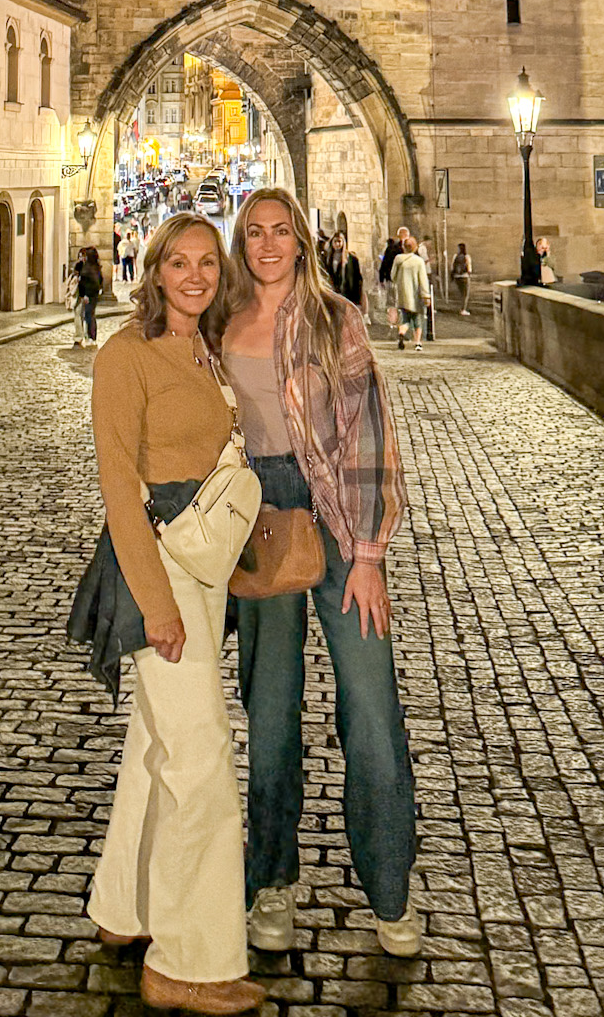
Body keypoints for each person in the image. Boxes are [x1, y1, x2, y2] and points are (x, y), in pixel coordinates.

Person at [218, 188, 419, 959]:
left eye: (281, 232)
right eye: (255, 233)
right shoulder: (221, 322)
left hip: (334, 518)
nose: (268, 245)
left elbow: (370, 434)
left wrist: (368, 556)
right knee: (270, 710)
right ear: (245, 244)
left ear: (302, 241)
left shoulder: (337, 319)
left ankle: (390, 890)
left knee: (370, 707)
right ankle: (271, 881)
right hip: (260, 519)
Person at [76, 213, 264, 1015]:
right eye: (177, 263)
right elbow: (119, 488)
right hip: (156, 568)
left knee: (157, 743)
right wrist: (156, 605)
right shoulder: (124, 357)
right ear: (152, 272)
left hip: (203, 564)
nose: (193, 276)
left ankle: (124, 908)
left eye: (206, 264)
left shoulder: (203, 348)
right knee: (202, 757)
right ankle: (186, 959)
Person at [389, 236, 428, 352]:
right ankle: (417, 342)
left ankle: (401, 333)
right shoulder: (419, 261)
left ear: (403, 247)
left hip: (402, 294)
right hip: (416, 295)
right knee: (417, 319)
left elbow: (392, 276)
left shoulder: (398, 259)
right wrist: (426, 295)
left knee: (405, 319)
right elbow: (423, 280)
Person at [328, 231, 364, 319]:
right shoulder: (327, 258)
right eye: (335, 241)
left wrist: (358, 300)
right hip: (332, 293)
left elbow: (357, 279)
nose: (337, 244)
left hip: (347, 293)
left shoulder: (351, 258)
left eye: (339, 241)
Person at [77, 248, 104, 346]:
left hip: (89, 295)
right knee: (90, 314)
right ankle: (91, 336)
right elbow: (100, 281)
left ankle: (91, 336)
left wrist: (85, 294)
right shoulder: (96, 267)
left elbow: (86, 283)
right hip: (94, 294)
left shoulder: (88, 268)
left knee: (89, 315)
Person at [450, 242, 472, 317]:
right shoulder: (467, 256)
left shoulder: (455, 256)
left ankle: (460, 307)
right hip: (464, 277)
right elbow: (469, 269)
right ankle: (463, 309)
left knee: (460, 293)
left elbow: (452, 267)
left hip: (457, 277)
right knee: (465, 294)